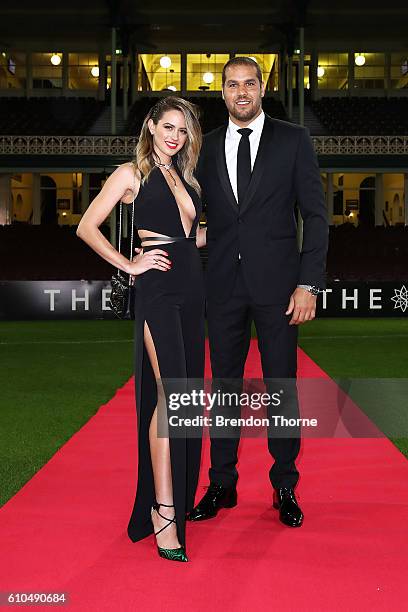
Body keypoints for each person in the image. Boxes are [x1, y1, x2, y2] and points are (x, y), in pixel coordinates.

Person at [188, 57, 328, 528]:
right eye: (232, 85)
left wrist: (308, 283)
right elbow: (194, 217)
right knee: (224, 390)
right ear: (222, 92)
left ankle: (284, 485)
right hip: (222, 286)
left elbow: (315, 216)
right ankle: (221, 484)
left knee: (280, 390)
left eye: (250, 83)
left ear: (262, 87)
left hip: (281, 289)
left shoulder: (294, 139)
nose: (241, 92)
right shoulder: (203, 148)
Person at [77, 96, 207, 562]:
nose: (175, 135)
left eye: (183, 130)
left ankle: (173, 498)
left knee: (185, 395)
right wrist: (129, 265)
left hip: (193, 289)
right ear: (151, 126)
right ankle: (162, 511)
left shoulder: (186, 177)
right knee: (171, 395)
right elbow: (87, 227)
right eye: (168, 126)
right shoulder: (131, 174)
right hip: (158, 289)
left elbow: (193, 234)